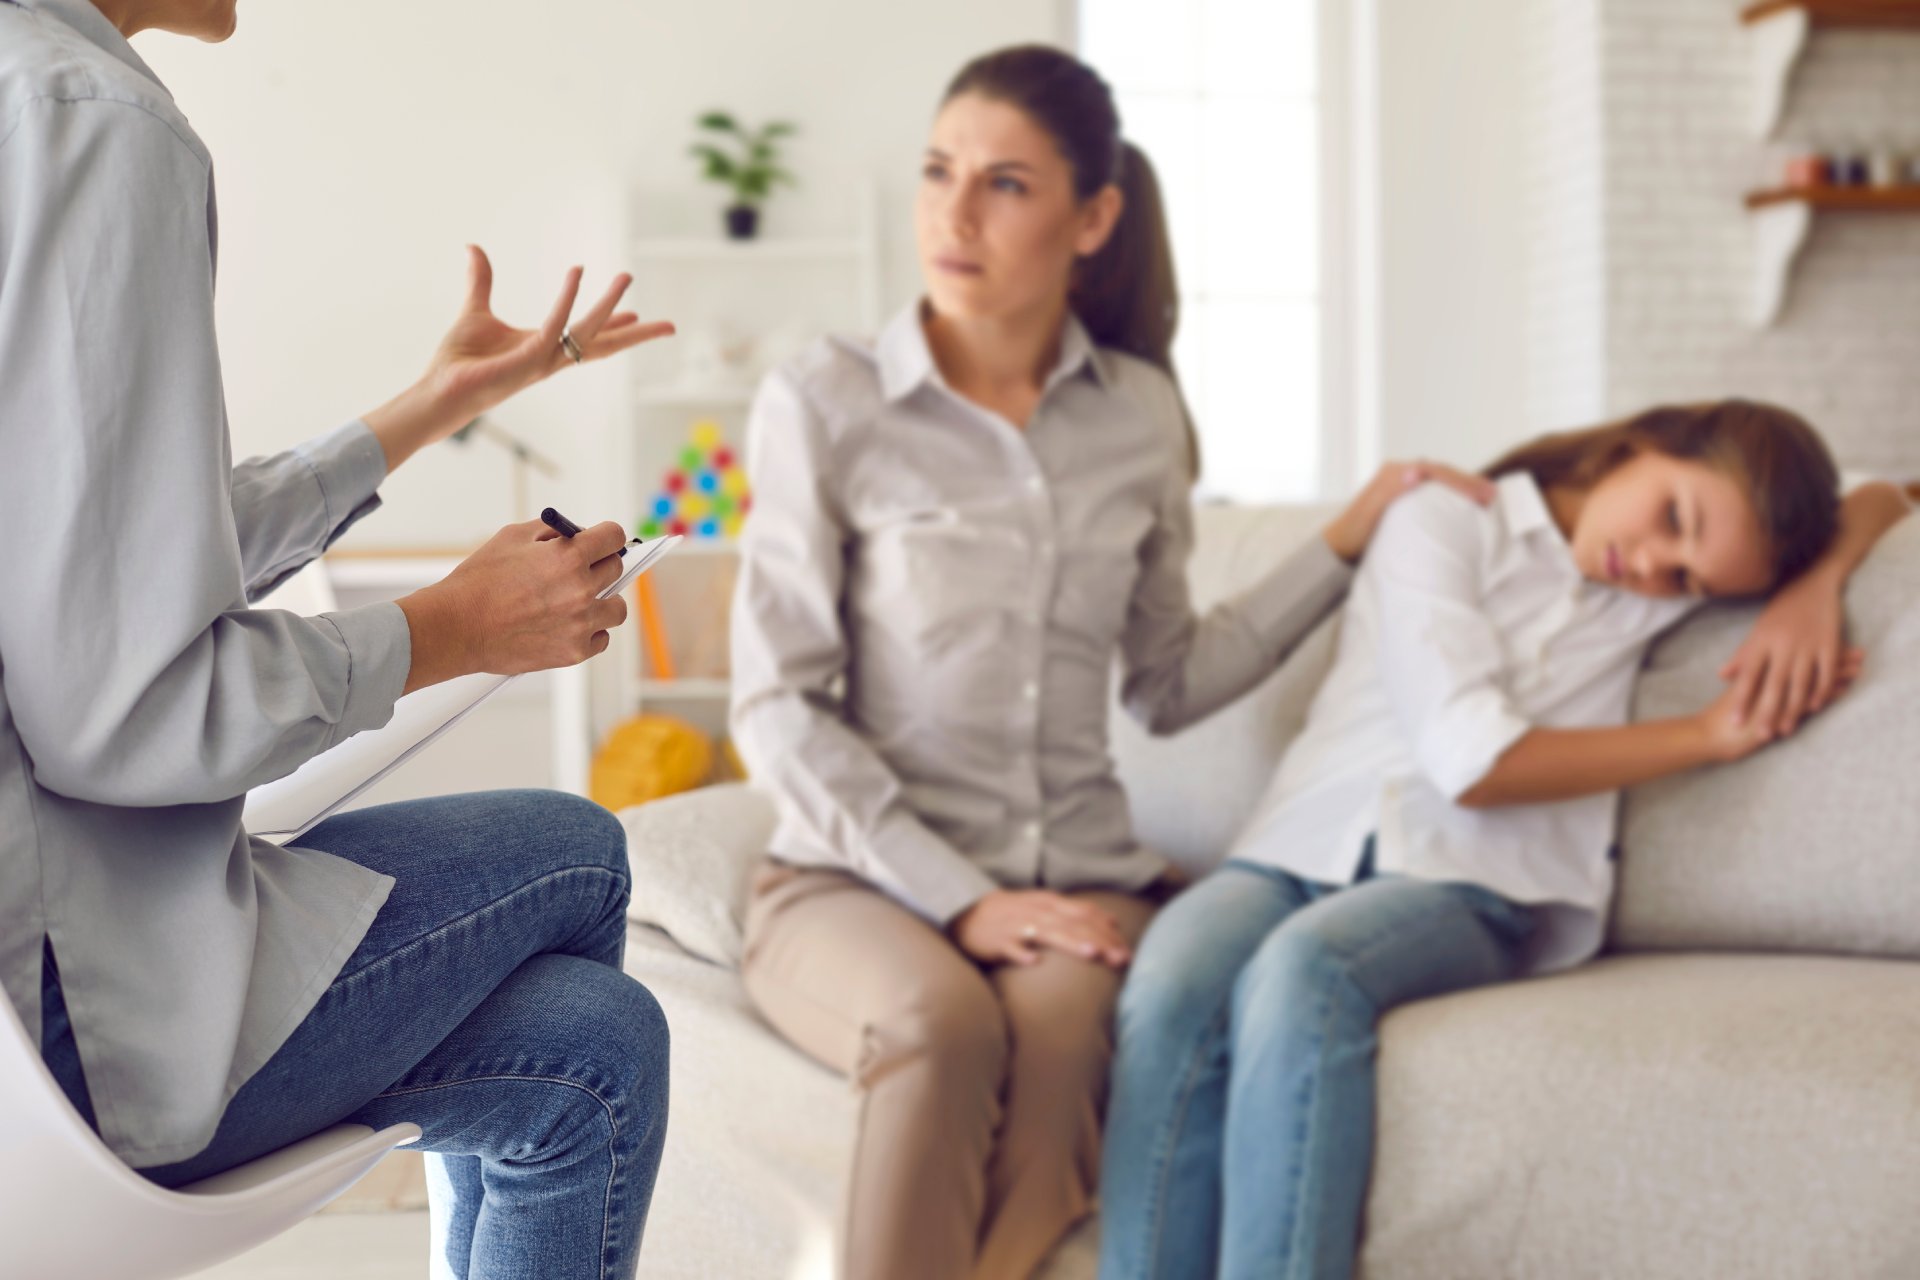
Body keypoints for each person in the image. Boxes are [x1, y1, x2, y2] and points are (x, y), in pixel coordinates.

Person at [726, 44, 1496, 1280]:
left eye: (1005, 184)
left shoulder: (1139, 415)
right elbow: (776, 705)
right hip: (853, 878)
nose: (954, 216)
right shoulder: (825, 397)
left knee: (1060, 1024)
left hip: (1075, 877)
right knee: (940, 1020)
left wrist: (1346, 539)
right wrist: (965, 900)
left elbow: (1168, 678)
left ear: (1093, 219)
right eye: (938, 171)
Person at [0, 3, 677, 1276]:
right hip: (70, 1033)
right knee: (585, 900)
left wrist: (424, 408)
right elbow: (120, 716)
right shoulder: (98, 119)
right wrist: (452, 627)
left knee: (595, 1033)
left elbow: (98, 557)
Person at [1096, 400, 1912, 1280]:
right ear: (1641, 446)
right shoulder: (1442, 519)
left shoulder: (1646, 599)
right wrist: (1704, 736)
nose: (1653, 566)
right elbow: (1472, 758)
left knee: (1308, 970)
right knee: (1173, 975)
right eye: (1672, 518)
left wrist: (1811, 591)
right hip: (1298, 845)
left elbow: (1889, 492)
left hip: (1477, 883)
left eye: (1690, 581)